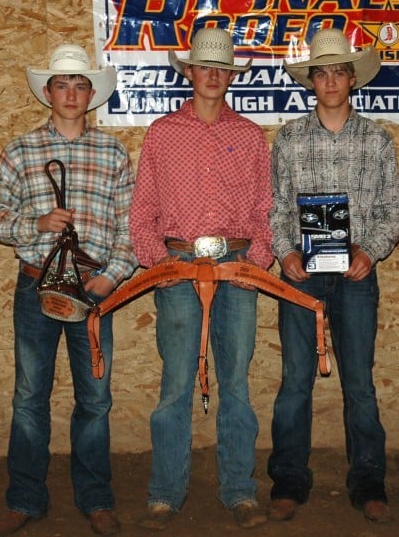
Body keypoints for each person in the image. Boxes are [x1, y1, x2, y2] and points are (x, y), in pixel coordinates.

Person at [0, 44, 137, 536]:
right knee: (29, 396)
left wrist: (110, 277)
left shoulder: (112, 153)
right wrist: (37, 223)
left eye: (80, 84)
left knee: (95, 398)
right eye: (62, 84)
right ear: (48, 92)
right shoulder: (20, 150)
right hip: (36, 288)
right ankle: (25, 497)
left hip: (93, 289)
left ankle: (95, 498)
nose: (71, 93)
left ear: (91, 94)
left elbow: (131, 228)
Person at [129, 27, 273, 530]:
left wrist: (259, 261)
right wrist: (156, 263)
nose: (212, 75)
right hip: (179, 263)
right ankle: (166, 491)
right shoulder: (162, 134)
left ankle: (239, 490)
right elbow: (143, 209)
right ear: (188, 71)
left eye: (222, 68)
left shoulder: (251, 137)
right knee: (174, 384)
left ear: (231, 75)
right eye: (203, 66)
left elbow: (264, 210)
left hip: (235, 266)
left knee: (235, 382)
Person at [268, 27, 399, 524]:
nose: (330, 80)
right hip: (301, 276)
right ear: (311, 81)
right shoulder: (288, 138)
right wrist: (285, 253)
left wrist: (370, 251)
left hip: (354, 276)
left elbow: (394, 210)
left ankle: (369, 481)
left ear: (352, 79)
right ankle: (288, 479)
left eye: (338, 71)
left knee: (360, 383)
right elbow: (275, 208)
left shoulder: (376, 139)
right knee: (295, 382)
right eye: (320, 72)